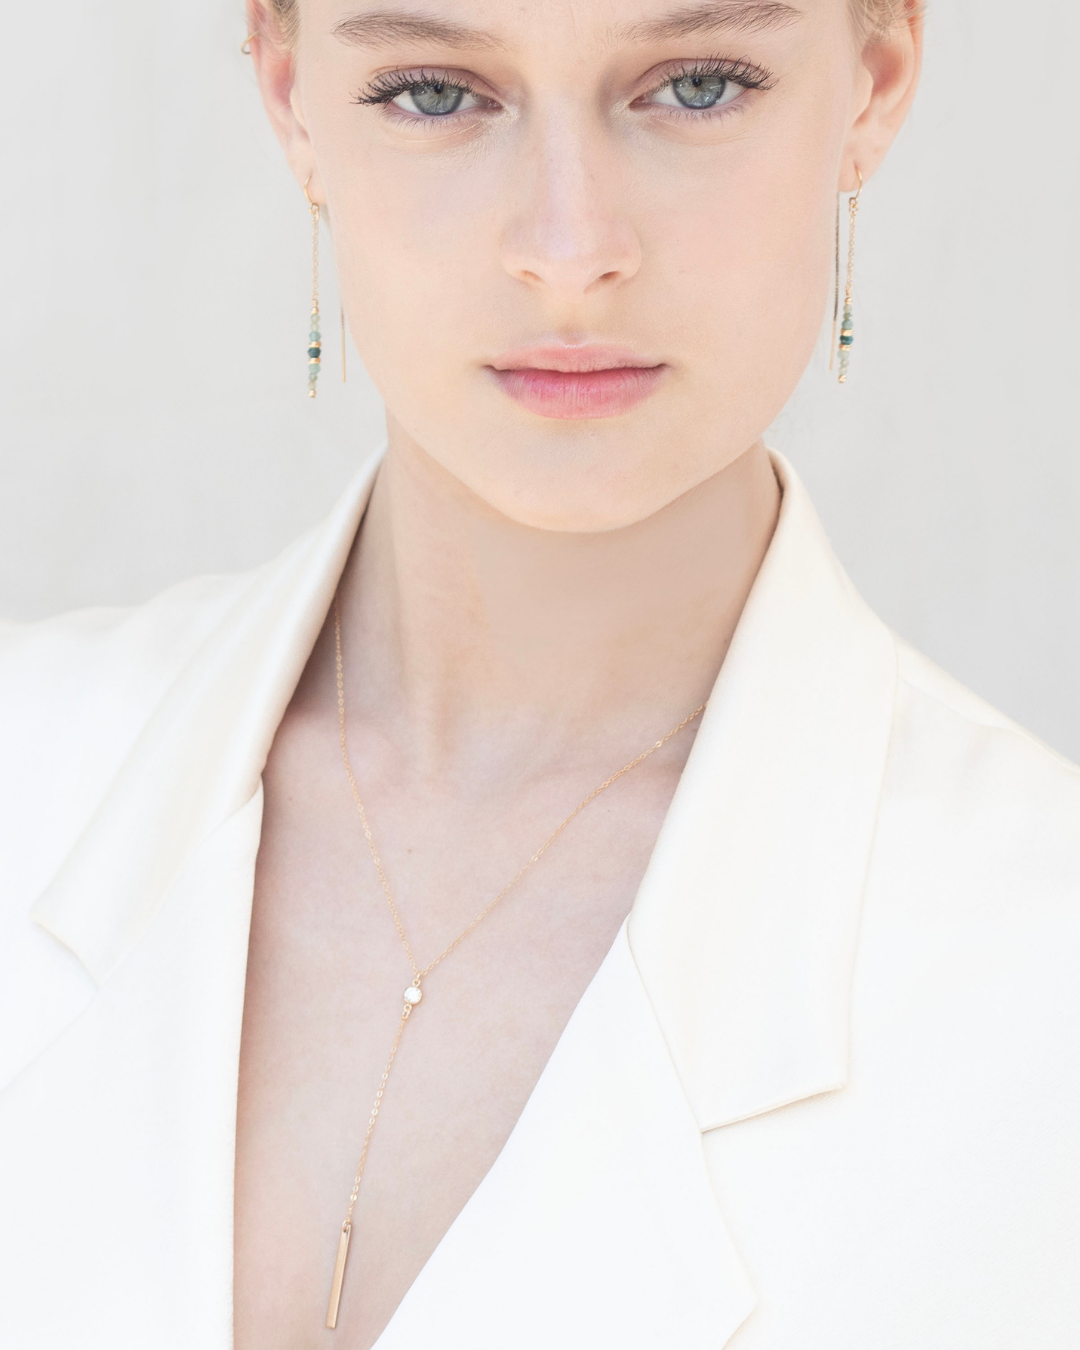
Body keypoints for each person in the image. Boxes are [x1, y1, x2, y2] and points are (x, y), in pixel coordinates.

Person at [1, 1, 1077, 1347]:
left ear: (874, 79)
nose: (571, 253)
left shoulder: (1046, 981)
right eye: (437, 94)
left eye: (695, 85)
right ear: (291, 101)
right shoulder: (21, 765)